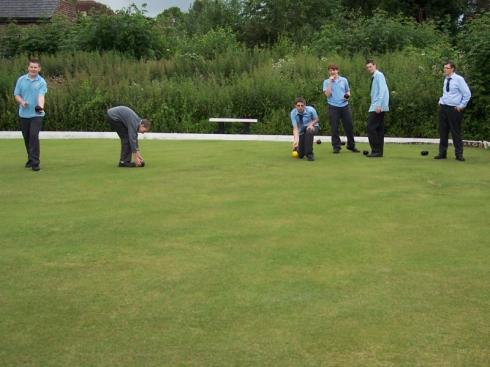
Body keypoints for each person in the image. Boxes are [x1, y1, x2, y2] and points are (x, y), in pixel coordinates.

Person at [14, 59, 47, 171]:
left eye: (35, 67)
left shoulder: (41, 82)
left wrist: (40, 106)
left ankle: (35, 163)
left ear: (39, 69)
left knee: (33, 136)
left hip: (37, 114)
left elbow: (41, 96)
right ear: (28, 68)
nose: (33, 69)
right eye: (31, 67)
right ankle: (30, 159)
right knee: (27, 138)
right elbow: (17, 95)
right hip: (24, 114)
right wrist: (22, 102)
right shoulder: (21, 80)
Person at [435, 62, 471, 161]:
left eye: (447, 68)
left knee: (455, 132)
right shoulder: (446, 79)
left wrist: (461, 106)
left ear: (452, 69)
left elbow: (467, 94)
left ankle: (459, 154)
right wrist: (440, 101)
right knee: (443, 131)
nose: (445, 69)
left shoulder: (459, 79)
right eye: (444, 68)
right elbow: (446, 93)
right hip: (444, 108)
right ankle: (442, 153)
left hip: (454, 109)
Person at [323, 64, 359, 154]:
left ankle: (351, 146)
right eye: (331, 70)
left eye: (334, 70)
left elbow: (348, 91)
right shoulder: (326, 82)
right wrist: (330, 82)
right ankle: (336, 147)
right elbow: (327, 94)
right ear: (329, 71)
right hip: (333, 106)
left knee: (349, 126)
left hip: (344, 106)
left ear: (338, 71)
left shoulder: (344, 80)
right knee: (334, 128)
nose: (333, 72)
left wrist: (347, 96)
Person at [365, 59, 389, 158]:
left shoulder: (379, 75)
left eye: (370, 66)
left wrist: (379, 104)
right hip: (378, 105)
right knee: (378, 129)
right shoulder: (375, 76)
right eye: (367, 67)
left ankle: (375, 151)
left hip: (377, 106)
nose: (369, 69)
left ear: (375, 66)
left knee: (371, 127)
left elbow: (383, 90)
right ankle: (379, 152)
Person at [291, 97, 320, 161]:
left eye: (302, 105)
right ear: (295, 106)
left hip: (313, 127)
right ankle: (297, 148)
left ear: (305, 105)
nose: (300, 107)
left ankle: (309, 154)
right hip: (302, 130)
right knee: (300, 155)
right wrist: (296, 140)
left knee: (309, 131)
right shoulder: (293, 113)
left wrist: (311, 124)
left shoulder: (311, 110)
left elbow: (317, 119)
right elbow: (295, 128)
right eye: (298, 105)